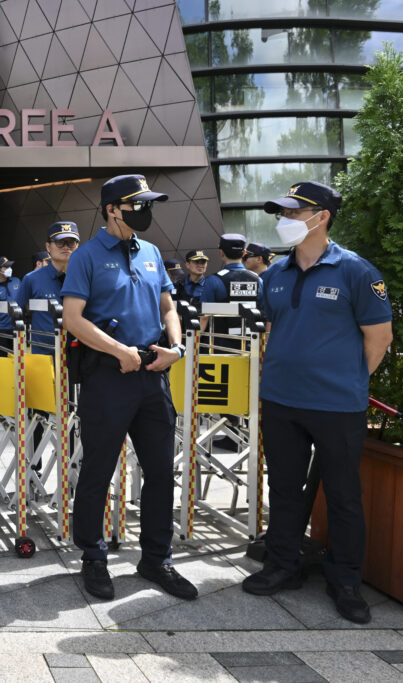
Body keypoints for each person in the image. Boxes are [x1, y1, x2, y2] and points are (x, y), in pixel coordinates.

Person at [242, 181, 392, 625]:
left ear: (320, 216)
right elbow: (274, 331)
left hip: (337, 406)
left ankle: (345, 580)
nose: (283, 221)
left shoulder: (357, 273)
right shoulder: (273, 276)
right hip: (281, 402)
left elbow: (378, 339)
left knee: (343, 495)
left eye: (292, 213)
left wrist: (346, 381)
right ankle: (283, 565)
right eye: (282, 213)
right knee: (284, 489)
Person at [61, 174, 197, 602]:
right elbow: (74, 318)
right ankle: (93, 557)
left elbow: (168, 305)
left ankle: (157, 559)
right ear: (112, 209)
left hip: (153, 370)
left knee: (160, 470)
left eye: (148, 203)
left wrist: (176, 347)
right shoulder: (86, 256)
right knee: (99, 468)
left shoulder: (152, 251)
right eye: (137, 204)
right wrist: (119, 350)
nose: (146, 211)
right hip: (107, 374)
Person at [19, 221, 82, 470]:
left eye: (71, 242)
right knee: (37, 416)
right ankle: (33, 472)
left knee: (76, 415)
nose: (66, 247)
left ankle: (74, 469)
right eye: (60, 242)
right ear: (48, 247)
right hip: (42, 358)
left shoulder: (87, 275)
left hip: (78, 356)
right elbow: (17, 314)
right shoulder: (32, 280)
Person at [199, 233, 262, 349]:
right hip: (252, 347)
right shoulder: (258, 280)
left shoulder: (214, 280)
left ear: (221, 253)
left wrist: (193, 344)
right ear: (244, 253)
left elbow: (204, 317)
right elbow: (266, 313)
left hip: (220, 349)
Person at [0, 255, 21, 352]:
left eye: (10, 267)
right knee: (2, 359)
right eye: (6, 267)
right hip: (0, 329)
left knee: (18, 358)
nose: (10, 269)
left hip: (18, 328)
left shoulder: (17, 281)